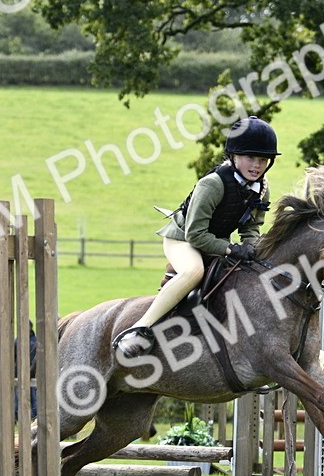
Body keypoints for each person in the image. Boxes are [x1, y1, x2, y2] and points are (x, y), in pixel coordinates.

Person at [113, 116, 278, 357]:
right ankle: (140, 328)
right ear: (233, 156)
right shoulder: (213, 184)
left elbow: (251, 228)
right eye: (250, 158)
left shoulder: (261, 188)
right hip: (183, 239)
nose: (257, 165)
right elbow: (196, 234)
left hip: (214, 241)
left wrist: (251, 248)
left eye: (263, 159)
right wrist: (231, 249)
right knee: (193, 272)